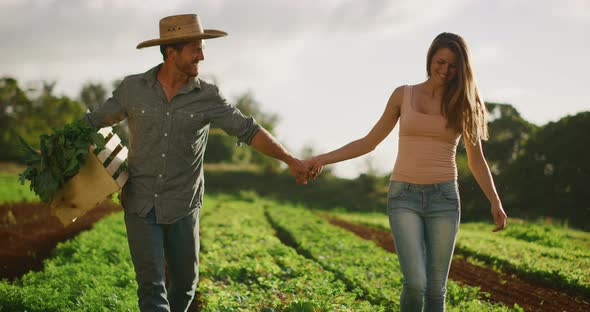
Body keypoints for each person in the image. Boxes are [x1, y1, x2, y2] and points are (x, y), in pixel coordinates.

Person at [82, 14, 310, 312]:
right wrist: (54, 149)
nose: (202, 56)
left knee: (186, 284)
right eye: (195, 49)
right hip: (140, 204)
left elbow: (248, 130)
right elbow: (94, 121)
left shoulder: (207, 97)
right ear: (171, 52)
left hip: (183, 205)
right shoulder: (133, 89)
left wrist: (289, 160)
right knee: (151, 286)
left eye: (202, 49)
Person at [305, 32, 507, 311]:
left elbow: (477, 160)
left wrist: (495, 201)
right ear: (430, 58)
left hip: (444, 199)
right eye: (440, 62)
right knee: (415, 283)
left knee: (436, 290)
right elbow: (369, 141)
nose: (445, 71)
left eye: (452, 66)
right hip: (404, 198)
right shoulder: (404, 94)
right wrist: (323, 159)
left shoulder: (464, 103)